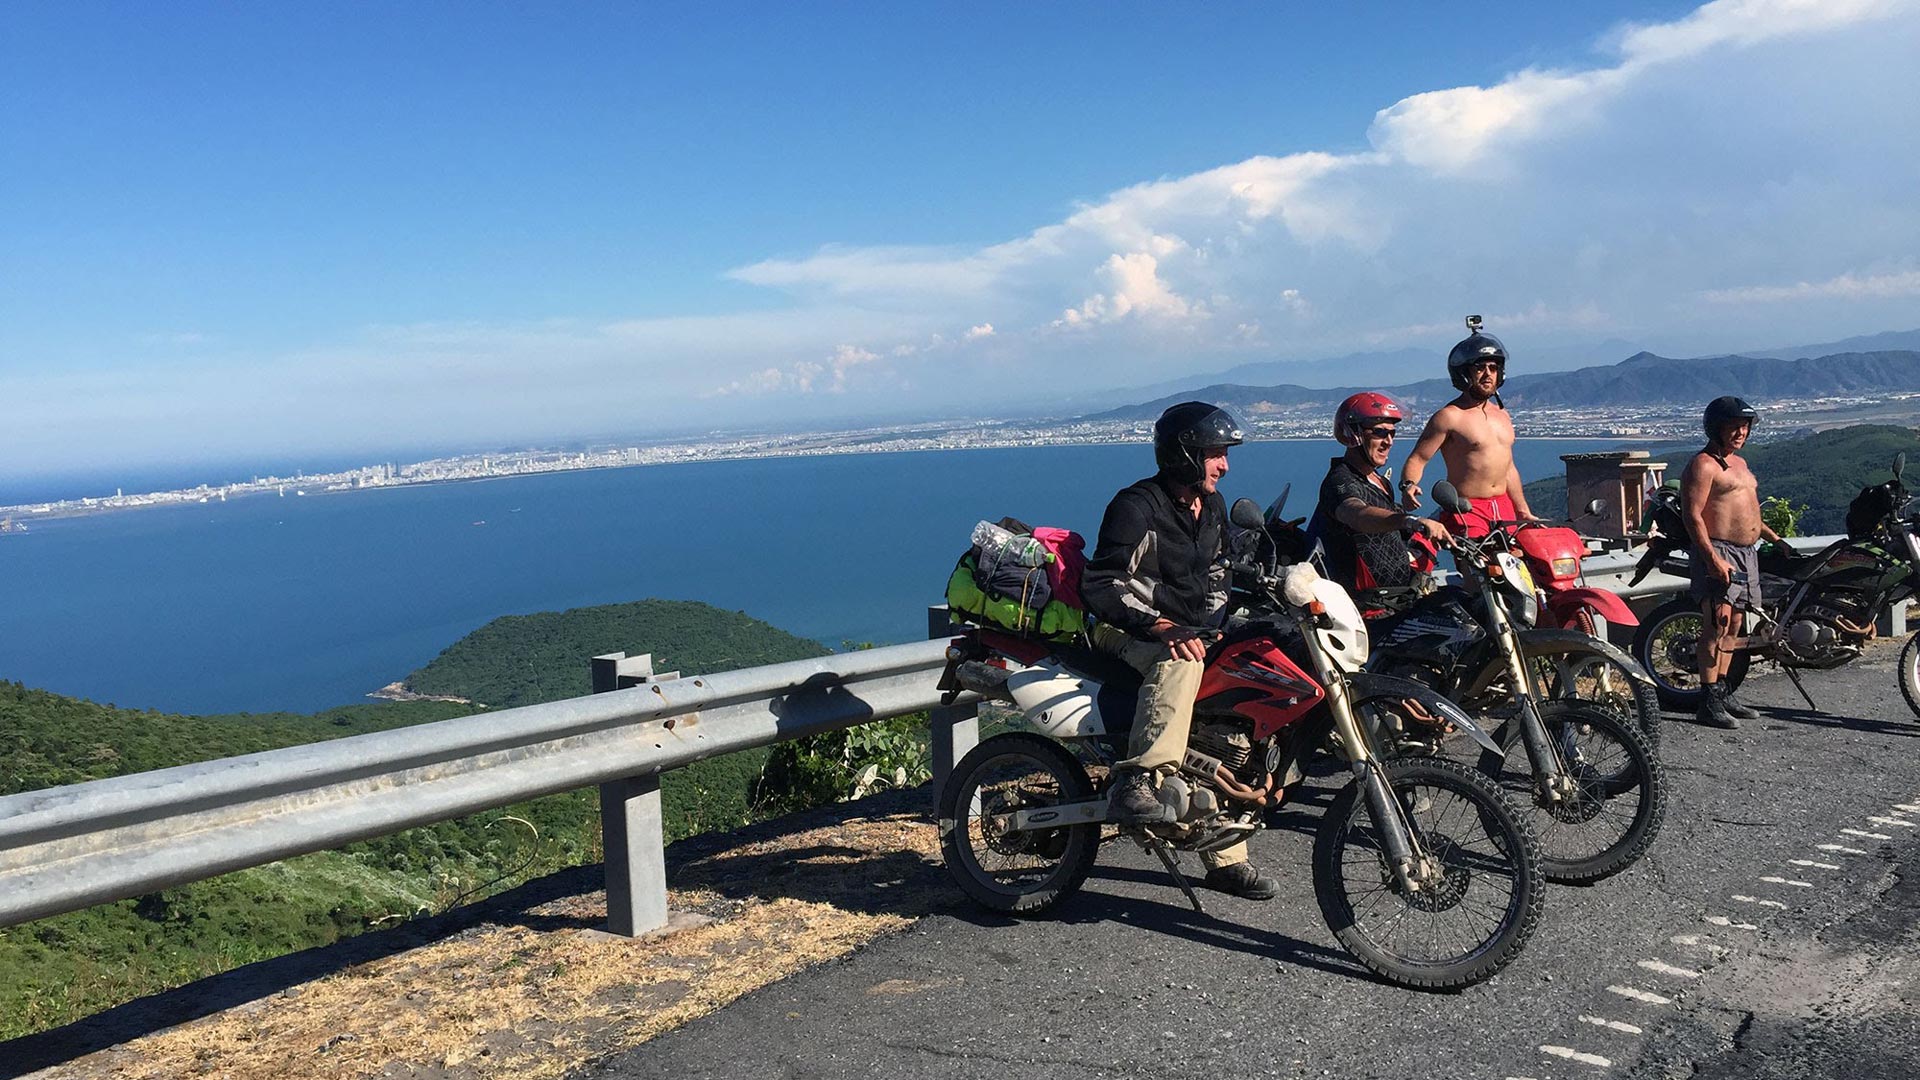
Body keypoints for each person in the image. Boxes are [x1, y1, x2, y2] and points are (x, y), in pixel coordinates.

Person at [1081, 401, 1278, 901]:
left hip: (1187, 630)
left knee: (1234, 700)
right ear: (1185, 454)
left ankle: (1225, 856)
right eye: (1215, 453)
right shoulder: (1136, 507)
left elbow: (1218, 572)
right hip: (1122, 628)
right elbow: (1102, 584)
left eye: (1225, 454)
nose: (1224, 465)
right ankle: (1139, 779)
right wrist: (1161, 626)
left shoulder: (1211, 506)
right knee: (1181, 659)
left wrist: (1221, 623)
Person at [1680, 396, 1778, 728]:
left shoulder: (1740, 463)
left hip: (1747, 554)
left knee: (1734, 625)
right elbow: (1692, 515)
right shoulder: (1703, 465)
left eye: (1745, 427)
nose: (1741, 432)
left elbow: (1749, 510)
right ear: (1716, 428)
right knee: (1717, 624)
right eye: (1734, 426)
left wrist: (1775, 539)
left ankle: (1722, 692)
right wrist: (1712, 558)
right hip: (1719, 551)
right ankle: (1707, 701)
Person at [1399, 318, 1539, 537]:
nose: (1488, 374)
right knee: (1481, 558)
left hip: (1503, 506)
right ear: (1464, 373)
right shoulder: (1450, 416)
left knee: (1516, 557)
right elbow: (1418, 458)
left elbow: (1508, 468)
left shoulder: (1502, 415)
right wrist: (1408, 485)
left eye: (1493, 368)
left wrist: (1522, 509)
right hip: (1467, 509)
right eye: (1480, 368)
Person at [1308, 392, 1452, 594]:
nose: (1389, 441)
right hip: (1366, 603)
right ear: (1353, 433)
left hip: (1399, 596)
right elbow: (1357, 514)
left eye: (1392, 433)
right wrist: (1410, 521)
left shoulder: (1379, 480)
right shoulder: (1340, 481)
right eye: (1379, 432)